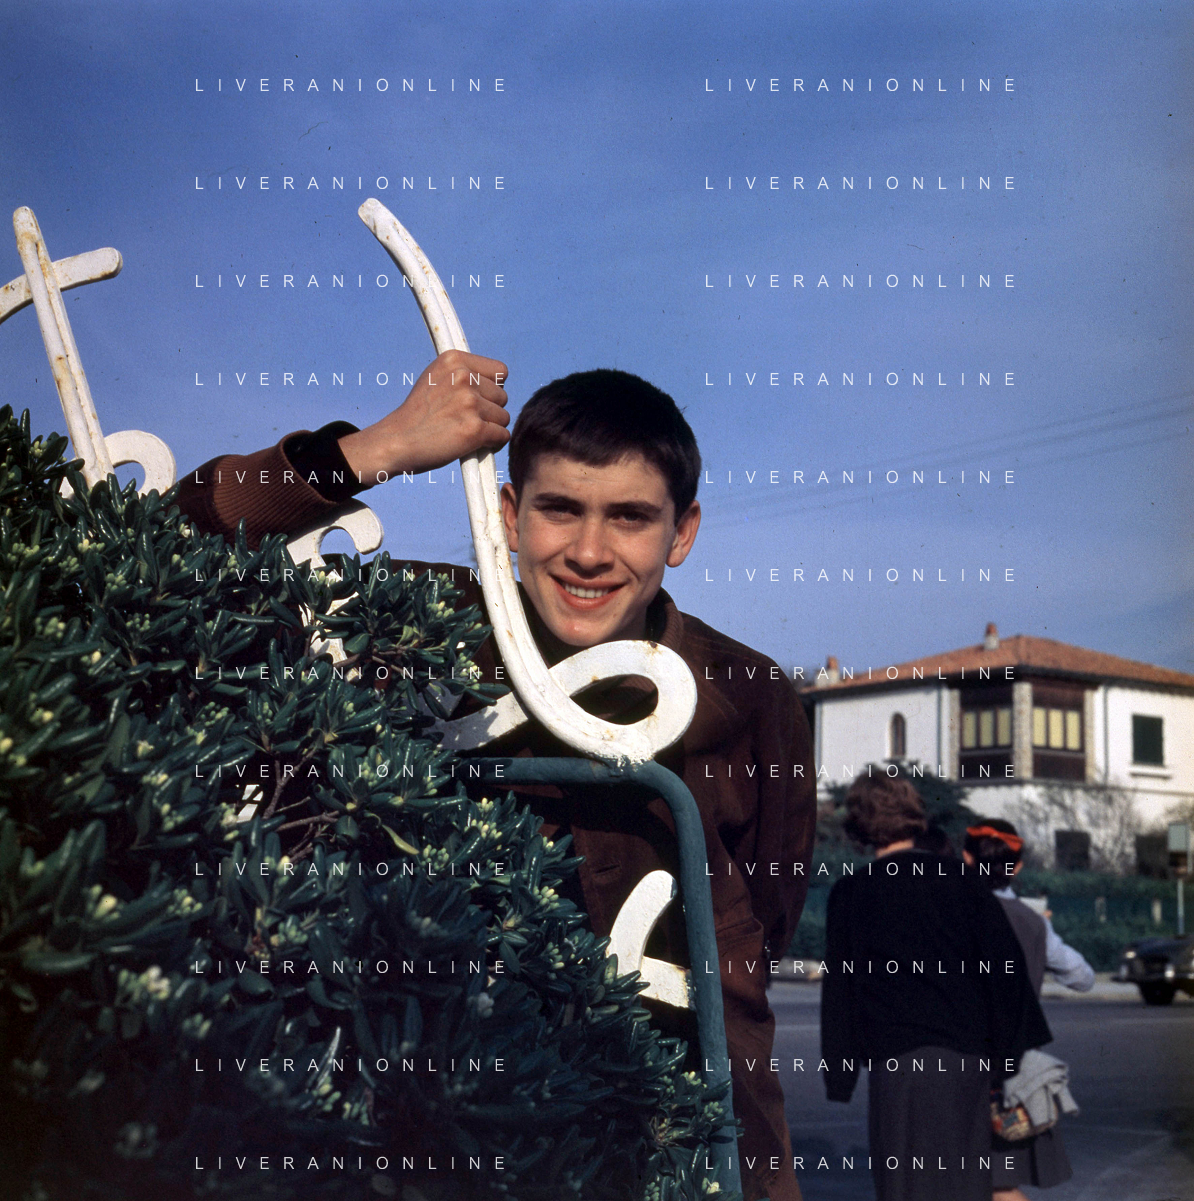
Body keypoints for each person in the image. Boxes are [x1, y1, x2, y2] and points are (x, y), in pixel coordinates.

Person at [176, 350, 817, 1201]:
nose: (588, 552)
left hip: (686, 1146)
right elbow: (167, 545)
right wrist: (380, 446)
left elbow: (766, 920)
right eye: (559, 509)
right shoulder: (416, 630)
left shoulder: (751, 691)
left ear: (683, 532)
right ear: (509, 514)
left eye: (630, 517)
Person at [820, 775, 1051, 1201]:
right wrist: (1006, 1058)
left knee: (905, 1185)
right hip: (967, 1062)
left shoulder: (852, 892)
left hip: (897, 1063)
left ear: (858, 825)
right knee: (966, 1183)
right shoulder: (964, 882)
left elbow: (840, 993)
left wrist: (840, 1074)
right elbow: (1005, 973)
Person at [963, 820, 1094, 1199]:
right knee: (1001, 1185)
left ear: (966, 857)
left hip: (958, 1060)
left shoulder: (949, 912)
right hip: (1012, 1067)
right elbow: (1083, 978)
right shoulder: (1032, 921)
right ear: (1017, 867)